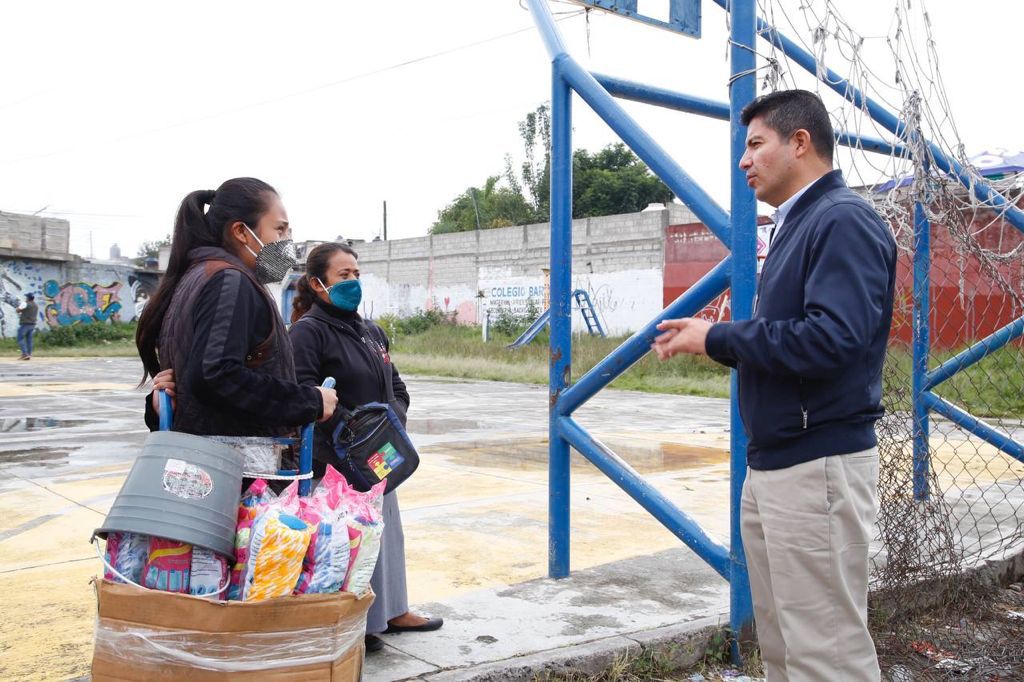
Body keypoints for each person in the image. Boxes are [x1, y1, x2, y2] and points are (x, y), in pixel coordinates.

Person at [652, 90, 896, 681]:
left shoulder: (841, 220)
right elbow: (794, 339)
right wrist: (722, 340)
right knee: (785, 648)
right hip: (779, 464)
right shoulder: (798, 223)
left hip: (817, 469)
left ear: (800, 143)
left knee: (826, 655)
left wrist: (718, 338)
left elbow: (832, 340)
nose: (744, 161)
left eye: (756, 144)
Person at [288, 242, 442, 653]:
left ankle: (393, 610)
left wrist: (392, 422)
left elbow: (397, 387)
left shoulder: (370, 331)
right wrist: (351, 430)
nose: (353, 282)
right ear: (318, 284)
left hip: (380, 453)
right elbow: (304, 392)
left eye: (356, 273)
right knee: (349, 541)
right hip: (335, 461)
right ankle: (361, 623)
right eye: (344, 275)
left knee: (386, 532)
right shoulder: (308, 332)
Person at [136, 177, 337, 435]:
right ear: (241, 231)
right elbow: (216, 376)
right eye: (280, 229)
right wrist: (310, 401)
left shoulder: (197, 276)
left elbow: (201, 379)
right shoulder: (230, 281)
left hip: (203, 450)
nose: (288, 241)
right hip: (235, 455)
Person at [16, 293, 38, 360]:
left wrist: (20, 309)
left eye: (26, 297)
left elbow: (17, 310)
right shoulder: (36, 305)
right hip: (32, 324)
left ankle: (25, 354)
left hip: (25, 323)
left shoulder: (25, 303)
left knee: (20, 338)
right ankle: (29, 354)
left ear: (28, 298)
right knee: (29, 340)